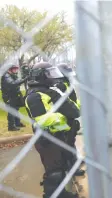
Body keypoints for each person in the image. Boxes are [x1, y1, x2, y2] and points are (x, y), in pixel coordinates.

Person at [25, 62, 80, 198]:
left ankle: (61, 193)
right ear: (40, 76)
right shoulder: (34, 96)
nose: (53, 77)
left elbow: (72, 108)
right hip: (46, 140)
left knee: (60, 168)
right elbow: (44, 120)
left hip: (58, 136)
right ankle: (51, 194)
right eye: (49, 73)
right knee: (53, 172)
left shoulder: (49, 90)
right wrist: (65, 117)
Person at [55, 63, 84, 176]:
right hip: (63, 118)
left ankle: (75, 161)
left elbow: (72, 101)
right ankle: (71, 167)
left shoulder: (66, 83)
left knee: (71, 141)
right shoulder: (59, 86)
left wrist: (79, 108)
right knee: (67, 142)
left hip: (71, 117)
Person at [1, 64, 28, 131]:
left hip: (14, 96)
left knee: (16, 109)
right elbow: (12, 83)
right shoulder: (6, 76)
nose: (16, 70)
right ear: (10, 69)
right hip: (8, 97)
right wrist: (24, 79)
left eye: (16, 68)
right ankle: (11, 126)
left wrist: (24, 78)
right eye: (14, 69)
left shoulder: (13, 75)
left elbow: (18, 81)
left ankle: (17, 123)